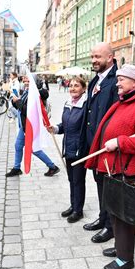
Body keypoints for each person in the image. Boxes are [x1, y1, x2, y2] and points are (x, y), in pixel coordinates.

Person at [85, 64, 135, 269]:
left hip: (127, 169)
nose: (117, 83)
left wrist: (120, 142)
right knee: (115, 212)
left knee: (125, 215)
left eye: (121, 80)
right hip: (113, 166)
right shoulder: (123, 102)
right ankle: (121, 248)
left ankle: (125, 259)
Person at [80, 42, 119, 244]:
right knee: (99, 183)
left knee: (109, 187)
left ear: (110, 58)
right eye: (92, 56)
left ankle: (110, 227)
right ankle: (103, 218)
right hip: (94, 145)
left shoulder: (116, 81)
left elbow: (116, 116)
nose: (94, 60)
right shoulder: (96, 79)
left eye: (98, 57)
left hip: (106, 146)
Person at [47, 77, 88, 223]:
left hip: (79, 149)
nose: (73, 88)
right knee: (72, 179)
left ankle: (78, 210)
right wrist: (55, 128)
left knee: (78, 180)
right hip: (68, 147)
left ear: (84, 88)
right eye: (71, 86)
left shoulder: (85, 105)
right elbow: (65, 125)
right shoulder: (68, 104)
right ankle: (73, 205)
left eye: (76, 86)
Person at [6, 74, 60, 178]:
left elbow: (29, 111)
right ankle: (17, 168)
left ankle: (52, 166)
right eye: (24, 80)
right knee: (18, 146)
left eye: (28, 80)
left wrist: (18, 102)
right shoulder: (27, 92)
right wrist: (15, 101)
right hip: (24, 125)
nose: (25, 82)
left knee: (34, 149)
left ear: (34, 82)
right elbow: (19, 106)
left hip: (31, 126)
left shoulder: (36, 94)